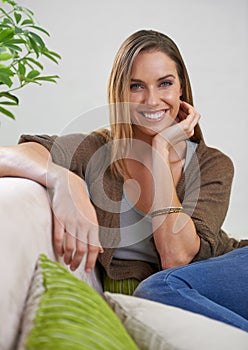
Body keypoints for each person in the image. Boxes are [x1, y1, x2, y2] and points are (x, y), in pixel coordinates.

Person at [0, 29, 247, 331]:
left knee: (158, 291)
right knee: (156, 293)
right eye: (136, 86)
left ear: (181, 89)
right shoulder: (97, 152)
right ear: (119, 94)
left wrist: (159, 153)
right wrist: (64, 181)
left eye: (165, 84)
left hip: (235, 275)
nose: (152, 100)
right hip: (184, 303)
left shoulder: (212, 164)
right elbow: (6, 156)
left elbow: (177, 257)